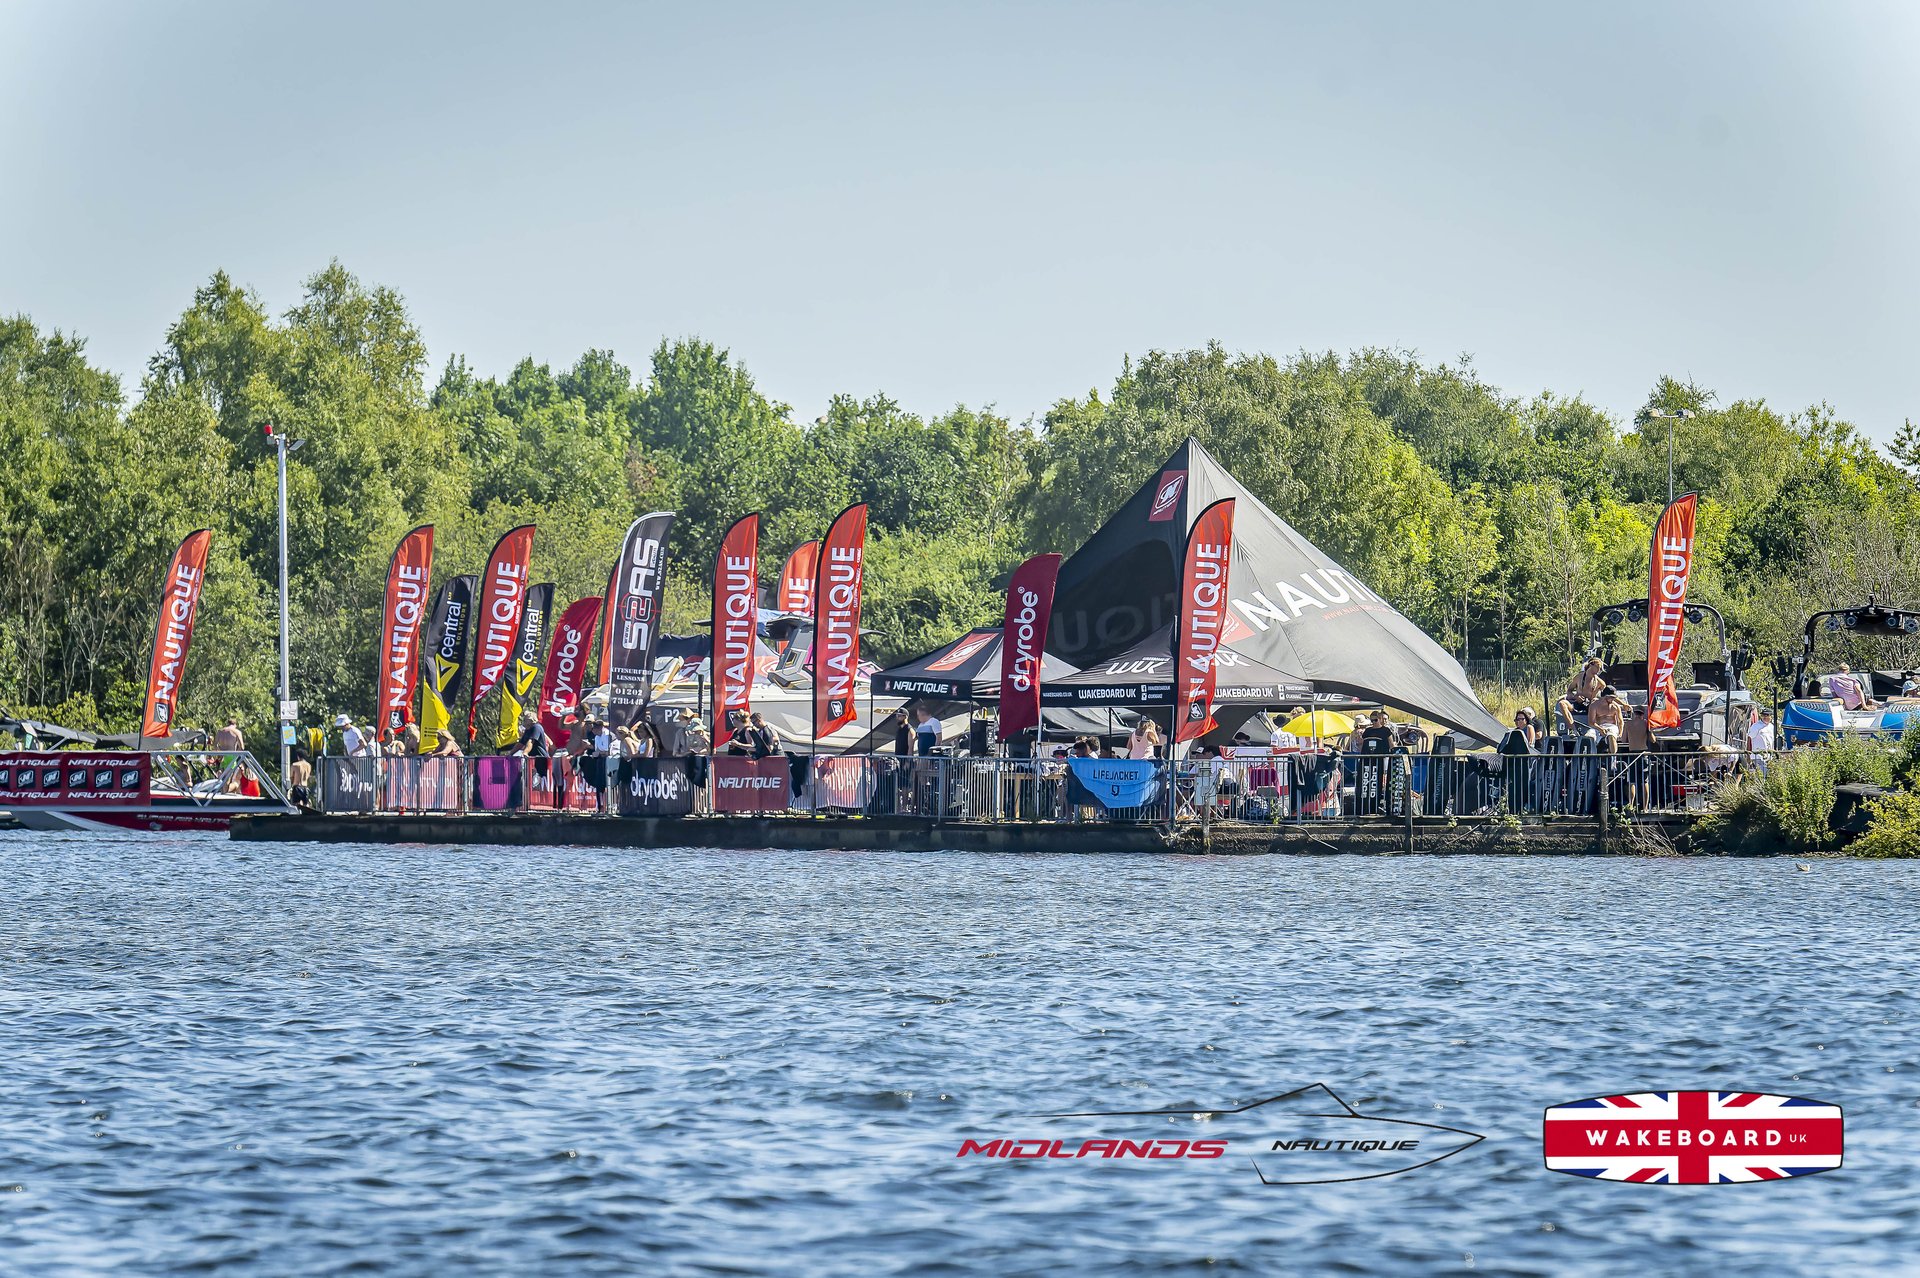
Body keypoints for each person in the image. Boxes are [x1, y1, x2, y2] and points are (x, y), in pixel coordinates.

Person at [1556, 657, 1607, 733]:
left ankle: (1598, 729)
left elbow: (1605, 697)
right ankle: (1573, 729)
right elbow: (1569, 691)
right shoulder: (1578, 677)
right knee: (1562, 703)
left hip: (1590, 705)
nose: (1599, 670)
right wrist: (1575, 697)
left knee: (1598, 706)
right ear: (1590, 665)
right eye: (1597, 667)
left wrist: (1596, 700)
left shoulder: (1600, 683)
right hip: (1578, 702)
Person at [1588, 686, 1629, 753]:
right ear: (1605, 696)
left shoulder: (1615, 706)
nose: (1613, 699)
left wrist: (1620, 733)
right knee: (1589, 736)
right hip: (1598, 726)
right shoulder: (1594, 705)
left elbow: (1620, 721)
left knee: (1611, 735)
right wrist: (1600, 729)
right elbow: (1591, 722)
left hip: (1611, 726)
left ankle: (1612, 757)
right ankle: (1590, 758)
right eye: (1611, 697)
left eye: (1614, 698)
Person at [1745, 706, 1775, 771]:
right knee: (1760, 777)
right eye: (1763, 715)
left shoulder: (1772, 726)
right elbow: (1749, 739)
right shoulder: (1755, 726)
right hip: (1757, 756)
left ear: (1771, 716)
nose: (1765, 717)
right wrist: (1748, 755)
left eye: (1767, 715)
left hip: (1769, 756)